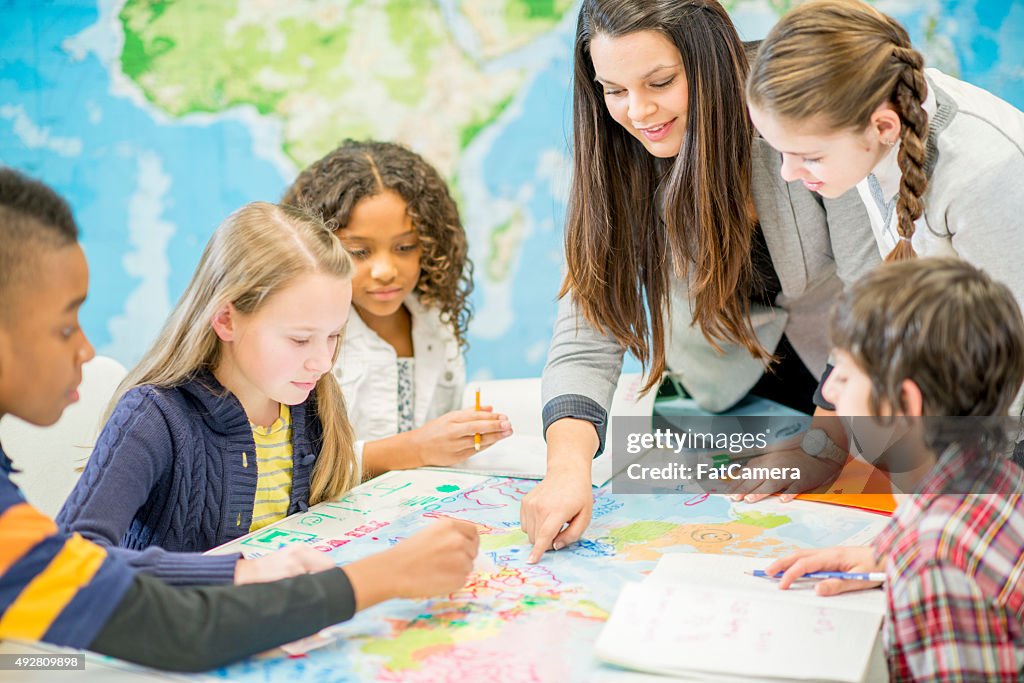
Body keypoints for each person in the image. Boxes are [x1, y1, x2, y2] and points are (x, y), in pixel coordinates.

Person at [0, 168, 479, 671]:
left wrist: (256, 573)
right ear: (226, 319)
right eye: (299, 340)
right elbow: (89, 593)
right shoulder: (155, 415)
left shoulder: (311, 399)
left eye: (335, 336)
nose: (322, 361)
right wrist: (249, 571)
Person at [519, 0, 875, 562]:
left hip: (846, 369)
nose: (638, 112)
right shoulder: (614, 158)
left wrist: (826, 439)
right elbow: (586, 337)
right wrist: (567, 470)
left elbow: (873, 291)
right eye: (613, 90)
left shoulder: (799, 113)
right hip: (716, 386)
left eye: (660, 81)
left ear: (709, 62)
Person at [742, 0, 1024, 495]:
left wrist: (937, 518)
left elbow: (1012, 363)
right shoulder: (876, 132)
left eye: (808, 156)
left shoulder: (986, 175)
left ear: (883, 127)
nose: (787, 173)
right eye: (778, 150)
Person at [764, 257, 1024, 682]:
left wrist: (914, 562)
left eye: (845, 377)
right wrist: (885, 556)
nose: (827, 390)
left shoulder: (935, 562)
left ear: (904, 404)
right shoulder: (992, 476)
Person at [283, 140, 512, 478]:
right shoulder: (303, 341)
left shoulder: (434, 320)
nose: (385, 270)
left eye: (405, 247)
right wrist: (416, 449)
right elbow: (292, 468)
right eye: (359, 251)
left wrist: (463, 437)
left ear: (431, 244)